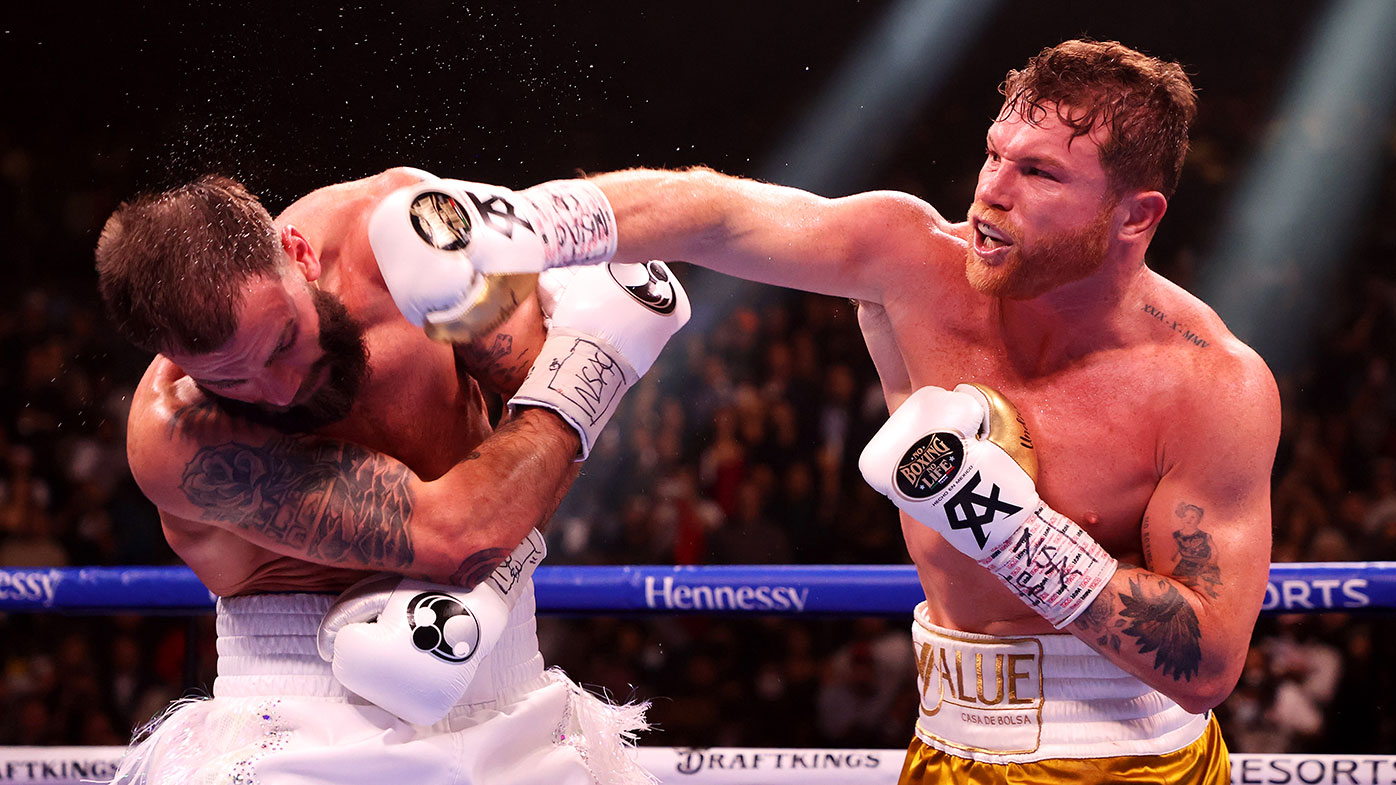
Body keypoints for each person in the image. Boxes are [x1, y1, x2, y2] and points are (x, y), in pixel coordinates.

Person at [443, 39, 1278, 783]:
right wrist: (512, 225)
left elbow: (1205, 662)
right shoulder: (913, 263)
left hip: (1137, 764)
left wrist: (1009, 528)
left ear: (1136, 214)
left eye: (1040, 173)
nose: (991, 191)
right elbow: (716, 215)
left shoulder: (1211, 385)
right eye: (995, 155)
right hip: (946, 743)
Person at [94, 169, 689, 783]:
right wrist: (598, 357)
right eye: (228, 379)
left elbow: (539, 447)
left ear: (298, 254)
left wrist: (494, 568)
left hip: (518, 700)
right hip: (297, 726)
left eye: (282, 342)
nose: (277, 390)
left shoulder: (408, 238)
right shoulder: (178, 437)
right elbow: (464, 530)